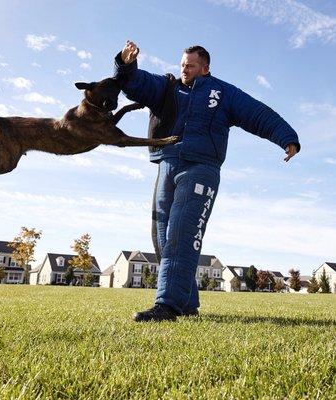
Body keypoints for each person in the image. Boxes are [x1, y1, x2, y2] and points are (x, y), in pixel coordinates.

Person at [114, 41, 300, 322]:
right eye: (182, 65)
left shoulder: (223, 92)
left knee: (181, 233)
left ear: (205, 67)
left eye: (190, 65)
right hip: (166, 163)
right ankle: (187, 302)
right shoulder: (167, 87)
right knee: (163, 238)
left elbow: (257, 114)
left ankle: (168, 305)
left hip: (201, 167)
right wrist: (126, 64)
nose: (184, 69)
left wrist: (286, 137)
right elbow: (135, 83)